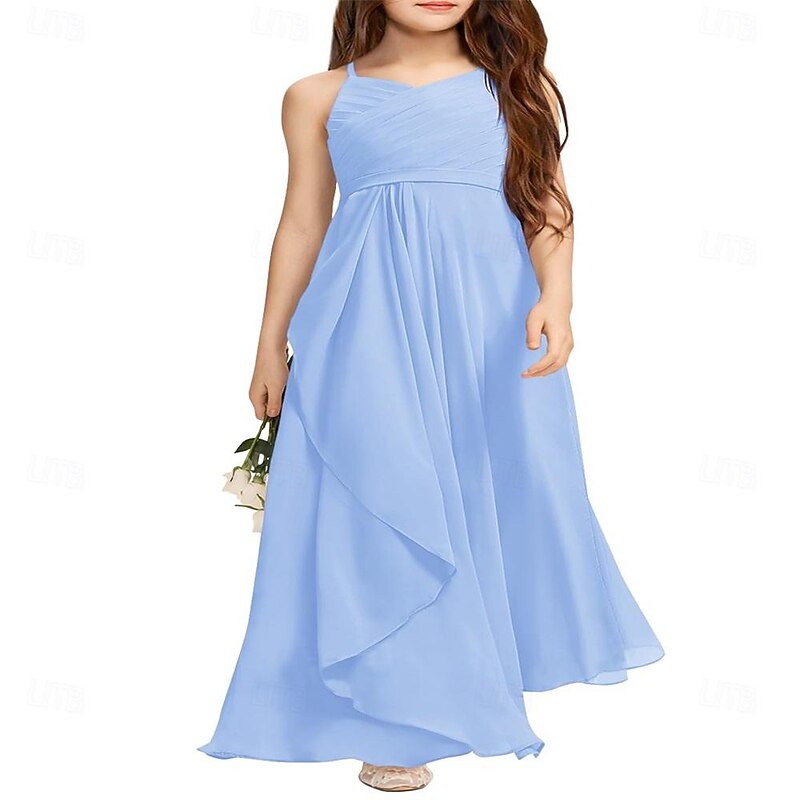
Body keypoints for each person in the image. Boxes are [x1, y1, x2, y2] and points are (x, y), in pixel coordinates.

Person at [199, 0, 664, 792]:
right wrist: (269, 341)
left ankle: (471, 683)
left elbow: (545, 202)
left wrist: (557, 298)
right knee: (382, 502)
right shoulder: (317, 96)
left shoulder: (515, 87)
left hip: (489, 329)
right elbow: (303, 222)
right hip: (363, 325)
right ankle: (395, 718)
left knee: (491, 492)